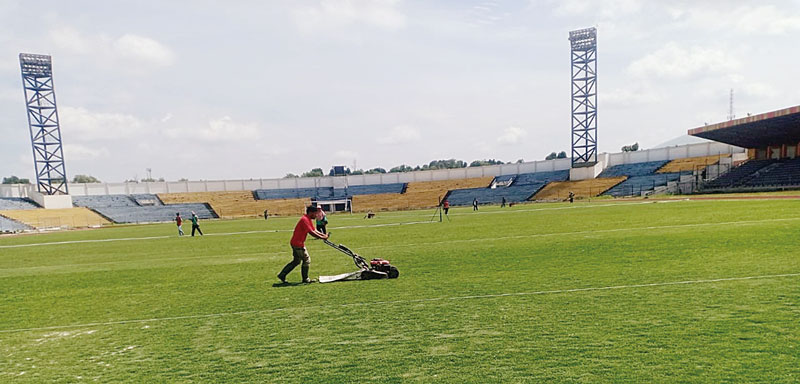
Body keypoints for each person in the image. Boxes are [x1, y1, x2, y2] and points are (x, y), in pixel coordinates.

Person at [278, 205, 329, 284]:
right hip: (298, 244)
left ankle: (282, 275)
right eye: (315, 213)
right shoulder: (304, 220)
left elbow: (314, 230)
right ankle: (305, 279)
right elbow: (311, 232)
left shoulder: (307, 219)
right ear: (311, 213)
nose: (316, 215)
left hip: (296, 242)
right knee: (306, 260)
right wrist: (323, 237)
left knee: (296, 261)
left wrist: (323, 235)